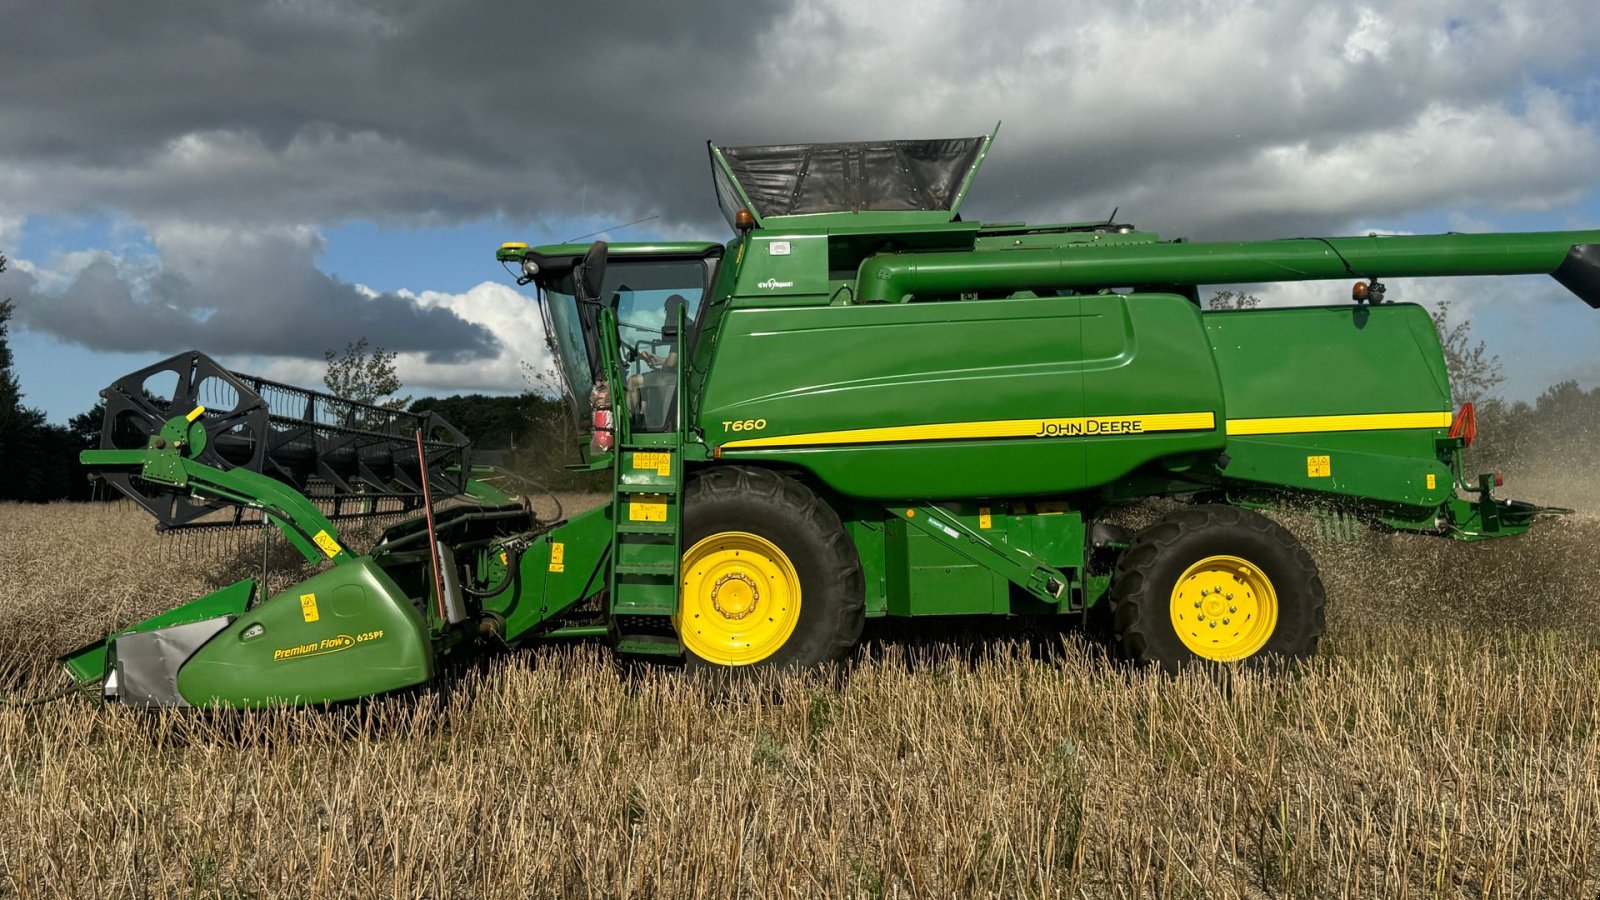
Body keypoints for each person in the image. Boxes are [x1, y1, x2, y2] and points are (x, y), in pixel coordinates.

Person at [626, 294, 687, 422]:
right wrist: (660, 360)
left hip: (675, 377)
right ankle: (644, 414)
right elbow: (674, 359)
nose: (666, 314)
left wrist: (663, 364)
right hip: (683, 373)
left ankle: (629, 421)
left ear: (671, 310)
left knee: (633, 381)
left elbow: (671, 363)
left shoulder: (680, 329)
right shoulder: (689, 326)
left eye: (667, 310)